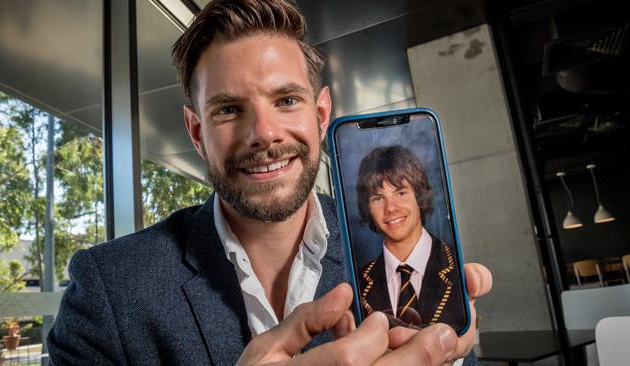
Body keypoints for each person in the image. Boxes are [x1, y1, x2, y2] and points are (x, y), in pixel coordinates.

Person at [46, 0, 492, 365]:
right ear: (197, 133)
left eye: (286, 100)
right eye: (227, 109)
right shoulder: (109, 288)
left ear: (320, 116)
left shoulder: (395, 253)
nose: (264, 133)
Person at [356, 146, 464, 329]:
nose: (391, 207)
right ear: (367, 207)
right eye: (378, 198)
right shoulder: (357, 283)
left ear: (419, 195)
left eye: (400, 193)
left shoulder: (459, 266)